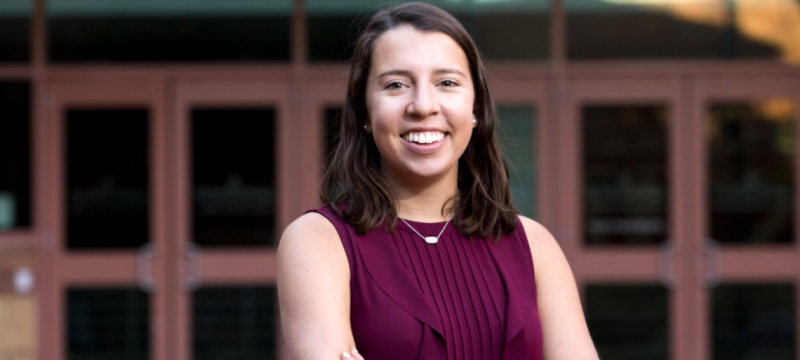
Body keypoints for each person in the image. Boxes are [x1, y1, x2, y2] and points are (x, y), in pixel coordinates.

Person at [278, 2, 598, 359]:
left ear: (476, 109)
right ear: (364, 111)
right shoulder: (319, 242)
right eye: (396, 84)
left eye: (447, 82)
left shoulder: (533, 246)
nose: (423, 105)